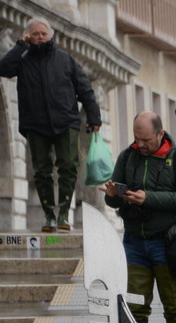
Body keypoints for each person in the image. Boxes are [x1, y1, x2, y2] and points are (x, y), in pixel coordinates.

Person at [102, 111, 176, 323]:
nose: (140, 145)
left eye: (145, 140)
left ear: (160, 134)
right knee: (134, 306)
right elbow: (112, 202)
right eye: (136, 139)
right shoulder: (127, 156)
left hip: (168, 243)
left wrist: (148, 198)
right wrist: (113, 195)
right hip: (134, 243)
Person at [0, 18, 101, 232]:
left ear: (50, 36)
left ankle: (63, 213)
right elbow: (3, 68)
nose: (39, 37)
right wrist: (20, 45)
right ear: (28, 36)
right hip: (35, 124)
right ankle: (49, 216)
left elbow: (85, 89)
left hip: (66, 122)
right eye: (34, 34)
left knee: (68, 166)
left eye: (43, 34)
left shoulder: (65, 60)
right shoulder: (22, 59)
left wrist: (94, 118)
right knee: (42, 170)